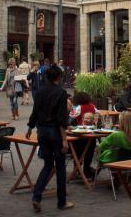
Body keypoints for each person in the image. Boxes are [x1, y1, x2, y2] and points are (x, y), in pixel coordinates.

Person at [26, 65, 74, 212]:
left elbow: (35, 111)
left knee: (47, 165)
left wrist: (30, 127)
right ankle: (61, 202)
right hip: (54, 132)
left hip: (41, 131)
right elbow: (61, 118)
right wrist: (64, 140)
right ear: (59, 77)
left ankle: (36, 197)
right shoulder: (61, 92)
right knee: (60, 167)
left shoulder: (40, 91)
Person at [71, 112, 98, 179]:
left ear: (92, 120)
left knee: (92, 144)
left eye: (88, 118)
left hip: (88, 145)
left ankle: (86, 170)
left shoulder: (93, 128)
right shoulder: (79, 127)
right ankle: (79, 170)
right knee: (78, 154)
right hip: (79, 145)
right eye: (85, 118)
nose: (86, 119)